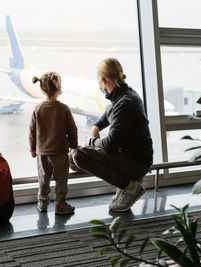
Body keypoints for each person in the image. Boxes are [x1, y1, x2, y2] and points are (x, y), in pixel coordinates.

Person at [69, 58, 153, 212]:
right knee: (72, 158)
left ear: (102, 80)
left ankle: (129, 187)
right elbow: (109, 112)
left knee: (79, 156)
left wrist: (92, 142)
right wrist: (95, 127)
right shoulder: (124, 94)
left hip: (136, 163)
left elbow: (110, 145)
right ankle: (127, 181)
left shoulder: (125, 102)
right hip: (128, 157)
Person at [29, 72, 78, 215]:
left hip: (42, 153)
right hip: (60, 152)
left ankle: (43, 204)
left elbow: (32, 131)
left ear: (42, 89)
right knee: (61, 179)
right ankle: (60, 205)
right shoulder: (64, 108)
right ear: (59, 88)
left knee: (43, 179)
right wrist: (74, 145)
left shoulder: (38, 109)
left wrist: (33, 148)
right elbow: (72, 129)